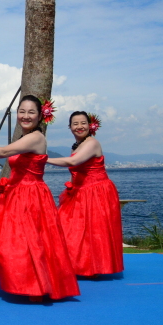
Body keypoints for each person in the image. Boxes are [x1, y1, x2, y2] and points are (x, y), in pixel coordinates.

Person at [0, 95, 80, 300]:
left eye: (31, 112)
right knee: (16, 242)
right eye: (22, 111)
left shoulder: (36, 137)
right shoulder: (24, 137)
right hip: (17, 194)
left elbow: (4, 151)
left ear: (40, 116)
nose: (25, 116)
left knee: (30, 242)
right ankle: (24, 281)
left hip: (31, 195)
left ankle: (36, 286)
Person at [47, 112, 123, 277]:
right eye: (75, 124)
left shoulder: (92, 143)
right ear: (69, 127)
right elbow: (75, 170)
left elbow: (73, 162)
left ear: (90, 125)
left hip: (97, 191)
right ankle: (72, 265)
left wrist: (42, 158)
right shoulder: (76, 146)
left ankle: (93, 268)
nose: (79, 126)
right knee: (68, 226)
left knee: (94, 231)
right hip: (81, 191)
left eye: (83, 123)